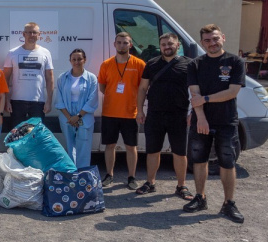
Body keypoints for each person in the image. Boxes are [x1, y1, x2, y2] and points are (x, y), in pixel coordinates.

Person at [184, 24, 245, 223]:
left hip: (227, 121)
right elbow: (194, 93)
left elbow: (232, 92)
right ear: (202, 43)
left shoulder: (235, 62)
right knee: (199, 161)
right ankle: (200, 197)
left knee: (227, 162)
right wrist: (200, 117)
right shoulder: (195, 64)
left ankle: (229, 203)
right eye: (207, 40)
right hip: (201, 122)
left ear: (223, 38)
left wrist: (206, 99)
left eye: (215, 39)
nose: (212, 43)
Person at [135, 33, 193, 198]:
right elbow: (142, 89)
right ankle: (150, 182)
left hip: (179, 115)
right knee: (153, 151)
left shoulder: (189, 64)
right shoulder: (151, 64)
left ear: (177, 45)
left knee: (180, 153)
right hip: (155, 115)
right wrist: (140, 110)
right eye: (164, 44)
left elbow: (196, 91)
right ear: (160, 47)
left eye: (170, 43)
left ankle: (181, 186)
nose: (167, 47)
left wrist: (193, 112)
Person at [98, 32, 145, 189]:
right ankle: (109, 175)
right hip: (110, 112)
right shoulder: (106, 64)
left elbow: (143, 88)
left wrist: (139, 109)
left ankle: (131, 177)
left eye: (125, 43)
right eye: (119, 42)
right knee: (109, 146)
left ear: (130, 45)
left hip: (130, 113)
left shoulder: (139, 64)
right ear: (114, 44)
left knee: (131, 147)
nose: (122, 45)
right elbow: (103, 86)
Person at [3, 22, 54, 129]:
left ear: (39, 35)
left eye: (34, 32)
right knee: (17, 136)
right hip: (17, 102)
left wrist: (49, 101)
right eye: (29, 32)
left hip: (38, 103)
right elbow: (5, 79)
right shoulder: (12, 53)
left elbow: (50, 79)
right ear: (23, 34)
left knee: (36, 135)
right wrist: (6, 101)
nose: (32, 35)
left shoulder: (45, 52)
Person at [55, 48, 99, 169]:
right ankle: (71, 173)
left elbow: (92, 100)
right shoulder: (62, 78)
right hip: (66, 116)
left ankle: (82, 174)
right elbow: (59, 99)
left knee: (84, 146)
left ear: (84, 60)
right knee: (69, 146)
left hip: (84, 115)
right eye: (74, 59)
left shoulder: (91, 78)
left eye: (79, 59)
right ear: (70, 61)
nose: (76, 62)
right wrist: (70, 117)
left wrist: (78, 116)